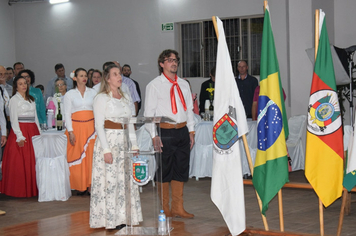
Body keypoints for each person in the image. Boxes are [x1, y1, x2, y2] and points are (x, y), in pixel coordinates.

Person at [90, 64, 142, 229]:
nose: (119, 77)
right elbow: (98, 125)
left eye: (119, 74)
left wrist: (134, 144)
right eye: (115, 74)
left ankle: (126, 217)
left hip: (125, 141)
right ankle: (111, 219)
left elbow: (131, 122)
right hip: (110, 141)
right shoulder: (101, 98)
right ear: (108, 78)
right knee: (111, 181)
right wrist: (106, 150)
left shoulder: (126, 97)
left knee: (125, 181)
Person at [144, 49, 195, 218]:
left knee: (181, 168)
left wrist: (192, 131)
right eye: (169, 60)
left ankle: (178, 207)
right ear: (161, 64)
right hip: (164, 131)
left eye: (175, 60)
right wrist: (154, 135)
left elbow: (189, 109)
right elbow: (148, 114)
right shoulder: (154, 85)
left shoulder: (183, 84)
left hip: (182, 130)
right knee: (164, 170)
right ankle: (164, 208)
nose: (173, 63)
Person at [0, 75, 40, 197]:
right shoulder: (14, 100)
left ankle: (34, 188)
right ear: (16, 87)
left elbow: (36, 118)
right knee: (20, 162)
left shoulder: (31, 99)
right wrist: (19, 136)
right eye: (20, 84)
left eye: (25, 83)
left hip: (32, 130)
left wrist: (40, 133)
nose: (23, 85)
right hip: (21, 131)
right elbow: (13, 120)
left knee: (33, 160)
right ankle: (20, 190)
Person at [64, 68, 96, 194]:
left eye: (85, 76)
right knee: (76, 155)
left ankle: (90, 185)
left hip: (91, 129)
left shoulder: (93, 92)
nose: (84, 78)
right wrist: (71, 131)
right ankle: (78, 185)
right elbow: (67, 114)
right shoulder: (70, 94)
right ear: (75, 78)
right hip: (76, 128)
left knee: (90, 156)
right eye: (81, 75)